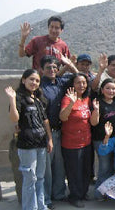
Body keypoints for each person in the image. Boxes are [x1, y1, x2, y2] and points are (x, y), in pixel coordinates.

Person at [5, 69, 53, 210]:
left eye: (37, 80)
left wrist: (49, 139)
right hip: (27, 145)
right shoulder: (18, 97)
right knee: (29, 178)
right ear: (23, 80)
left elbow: (45, 121)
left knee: (40, 177)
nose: (34, 83)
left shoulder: (38, 99)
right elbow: (14, 119)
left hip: (41, 143)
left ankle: (41, 206)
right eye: (31, 79)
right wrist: (12, 99)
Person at [40, 55, 77, 208]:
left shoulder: (61, 83)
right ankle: (46, 199)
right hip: (45, 133)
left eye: (55, 67)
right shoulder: (39, 86)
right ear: (42, 69)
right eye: (48, 67)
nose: (52, 70)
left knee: (59, 166)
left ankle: (59, 194)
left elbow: (79, 78)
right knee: (46, 169)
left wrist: (69, 65)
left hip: (61, 131)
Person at [59, 73, 99, 208]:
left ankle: (83, 193)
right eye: (78, 82)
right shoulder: (67, 98)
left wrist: (96, 111)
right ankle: (74, 196)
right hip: (71, 143)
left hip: (86, 142)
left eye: (83, 82)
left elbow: (92, 122)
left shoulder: (87, 99)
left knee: (86, 170)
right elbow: (63, 117)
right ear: (73, 84)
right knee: (74, 172)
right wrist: (70, 103)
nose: (81, 85)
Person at [91, 78, 115, 201]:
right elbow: (93, 123)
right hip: (102, 139)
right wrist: (96, 110)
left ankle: (111, 192)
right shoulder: (98, 102)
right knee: (104, 167)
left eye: (113, 88)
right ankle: (99, 193)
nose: (111, 91)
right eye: (108, 88)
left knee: (114, 166)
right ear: (102, 90)